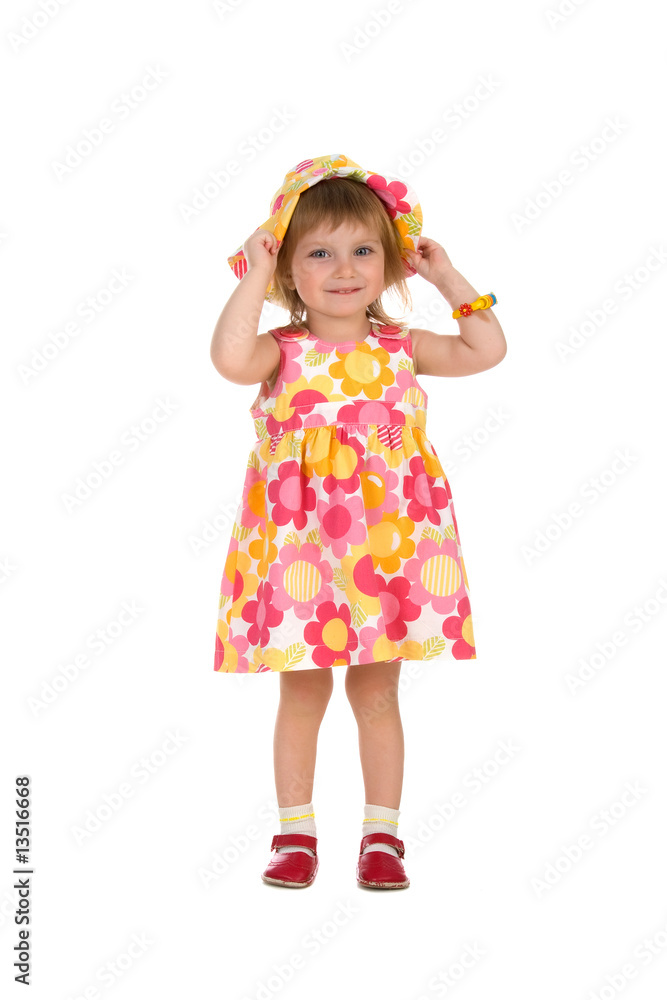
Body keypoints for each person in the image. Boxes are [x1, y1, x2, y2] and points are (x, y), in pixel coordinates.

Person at [209, 154, 507, 890]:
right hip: (297, 551)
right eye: (319, 252)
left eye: (363, 251)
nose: (344, 269)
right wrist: (253, 271)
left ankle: (382, 835)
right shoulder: (279, 353)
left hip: (388, 549)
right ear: (287, 267)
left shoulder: (402, 349)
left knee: (376, 694)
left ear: (389, 261)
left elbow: (486, 348)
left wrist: (444, 277)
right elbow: (226, 357)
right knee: (301, 690)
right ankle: (295, 834)